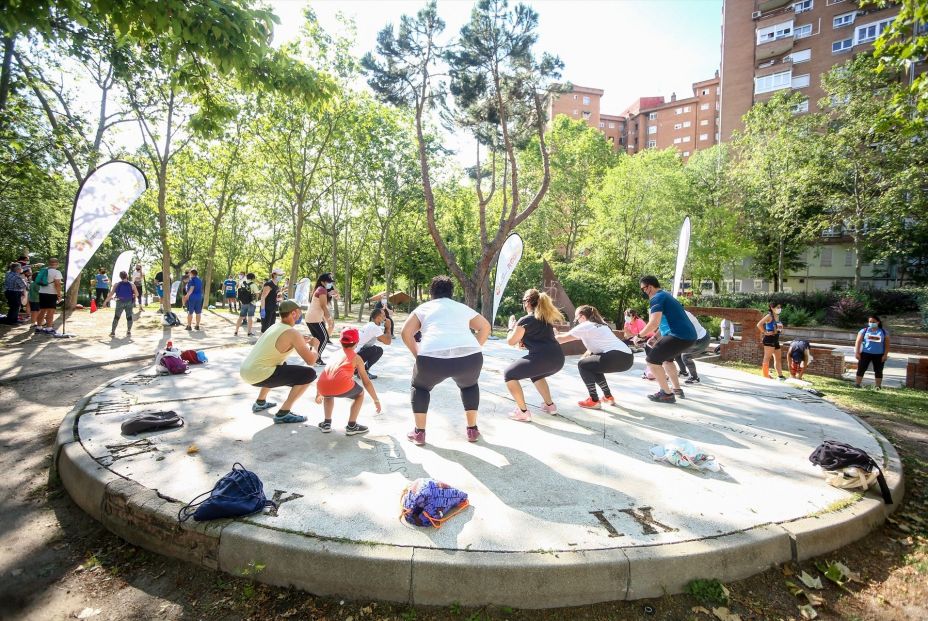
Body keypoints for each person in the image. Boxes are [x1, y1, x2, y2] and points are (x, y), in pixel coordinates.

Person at [401, 275, 491, 446]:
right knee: (470, 386)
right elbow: (485, 326)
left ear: (431, 293)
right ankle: (472, 429)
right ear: (451, 293)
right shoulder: (462, 308)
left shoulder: (424, 308)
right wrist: (474, 347)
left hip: (432, 359)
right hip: (470, 358)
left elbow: (406, 333)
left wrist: (417, 354)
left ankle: (419, 433)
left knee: (419, 388)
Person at [239, 300, 321, 424]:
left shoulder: (275, 326)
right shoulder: (292, 332)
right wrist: (315, 346)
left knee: (281, 364)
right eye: (299, 312)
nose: (300, 315)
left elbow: (282, 344)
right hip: (258, 374)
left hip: (246, 371)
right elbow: (311, 360)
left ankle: (260, 402)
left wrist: (300, 340)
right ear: (293, 313)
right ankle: (284, 413)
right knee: (309, 374)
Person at [503, 289, 565, 421]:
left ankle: (523, 412)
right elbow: (536, 340)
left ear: (527, 302)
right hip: (558, 359)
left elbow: (511, 341)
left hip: (543, 358)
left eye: (524, 301)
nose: (523, 304)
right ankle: (550, 406)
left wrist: (510, 327)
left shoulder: (526, 319)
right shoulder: (544, 320)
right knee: (536, 374)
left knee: (509, 374)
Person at [555, 305, 633, 409]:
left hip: (615, 356)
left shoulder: (586, 325)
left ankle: (594, 400)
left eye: (576, 318)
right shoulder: (602, 325)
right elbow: (592, 347)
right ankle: (608, 396)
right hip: (628, 358)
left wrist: (553, 335)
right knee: (592, 366)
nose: (577, 321)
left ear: (581, 316)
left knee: (582, 365)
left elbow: (561, 339)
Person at [634, 276, 697, 403]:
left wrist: (639, 336)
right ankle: (677, 389)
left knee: (651, 361)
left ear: (650, 287)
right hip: (687, 336)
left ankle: (666, 394)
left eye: (643, 289)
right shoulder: (665, 296)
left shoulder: (656, 298)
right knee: (667, 361)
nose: (644, 292)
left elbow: (654, 322)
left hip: (678, 336)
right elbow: (665, 323)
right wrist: (655, 337)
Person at [314, 328, 379, 436]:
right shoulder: (357, 358)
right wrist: (376, 400)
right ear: (357, 343)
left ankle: (326, 423)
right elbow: (366, 382)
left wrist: (318, 393)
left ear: (340, 341)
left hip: (322, 385)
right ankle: (352, 425)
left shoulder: (334, 354)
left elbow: (326, 374)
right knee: (360, 393)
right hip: (341, 385)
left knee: (329, 395)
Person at [306, 272, 338, 365]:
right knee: (324, 338)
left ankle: (311, 357)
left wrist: (331, 294)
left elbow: (323, 303)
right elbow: (323, 306)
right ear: (323, 282)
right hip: (315, 318)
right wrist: (329, 319)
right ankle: (316, 358)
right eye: (328, 282)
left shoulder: (320, 289)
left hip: (310, 318)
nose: (330, 284)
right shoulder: (322, 290)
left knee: (317, 339)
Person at [673, 310, 710, 385]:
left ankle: (694, 377)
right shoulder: (681, 312)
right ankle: (683, 372)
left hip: (701, 340)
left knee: (685, 356)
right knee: (677, 353)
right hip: (699, 337)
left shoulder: (682, 317)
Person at [355, 308, 393, 379]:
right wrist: (388, 327)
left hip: (353, 357)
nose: (386, 318)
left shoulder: (370, 325)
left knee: (374, 348)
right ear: (378, 318)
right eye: (384, 316)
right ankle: (363, 372)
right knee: (377, 350)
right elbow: (388, 342)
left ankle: (357, 370)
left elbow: (381, 339)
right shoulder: (374, 327)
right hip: (354, 359)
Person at [855, 315, 890, 389]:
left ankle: (878, 386)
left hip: (879, 355)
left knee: (878, 370)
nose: (871, 323)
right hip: (865, 354)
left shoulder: (884, 332)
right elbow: (858, 342)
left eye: (873, 322)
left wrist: (885, 355)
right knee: (861, 369)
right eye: (870, 322)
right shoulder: (863, 331)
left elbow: (887, 345)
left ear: (878, 322)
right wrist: (857, 353)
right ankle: (857, 384)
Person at [103, 271, 138, 338]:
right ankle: (128, 332)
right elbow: (137, 294)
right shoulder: (132, 284)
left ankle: (113, 332)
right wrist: (132, 296)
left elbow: (111, 294)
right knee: (129, 317)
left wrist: (105, 302)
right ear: (127, 275)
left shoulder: (117, 284)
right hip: (129, 302)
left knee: (116, 317)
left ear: (120, 277)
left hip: (119, 302)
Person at [756, 302, 785, 380]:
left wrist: (780, 330)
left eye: (780, 307)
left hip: (776, 339)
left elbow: (778, 328)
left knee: (778, 358)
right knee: (767, 357)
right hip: (769, 339)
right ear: (772, 308)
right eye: (777, 307)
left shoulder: (777, 316)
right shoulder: (769, 316)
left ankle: (780, 376)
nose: (779, 309)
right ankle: (765, 375)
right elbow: (759, 324)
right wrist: (765, 332)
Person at [36, 257, 63, 333]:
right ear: (57, 264)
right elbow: (57, 284)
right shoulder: (57, 272)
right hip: (51, 293)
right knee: (50, 311)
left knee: (42, 310)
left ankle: (38, 327)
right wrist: (59, 294)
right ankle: (49, 328)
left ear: (49, 263)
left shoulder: (44, 270)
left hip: (42, 292)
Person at [234, 273, 261, 337]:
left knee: (241, 317)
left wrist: (242, 301)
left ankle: (236, 331)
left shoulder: (242, 283)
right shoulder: (253, 285)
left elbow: (238, 292)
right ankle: (249, 332)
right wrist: (256, 299)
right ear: (253, 278)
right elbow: (257, 294)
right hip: (252, 303)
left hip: (244, 303)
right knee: (250, 317)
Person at [259, 268, 284, 333]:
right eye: (280, 274)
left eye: (281, 275)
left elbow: (277, 297)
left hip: (273, 309)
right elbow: (263, 297)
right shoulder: (269, 284)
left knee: (271, 328)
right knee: (265, 329)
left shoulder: (276, 285)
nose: (281, 276)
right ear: (274, 274)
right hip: (267, 309)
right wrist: (262, 309)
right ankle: (262, 342)